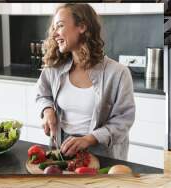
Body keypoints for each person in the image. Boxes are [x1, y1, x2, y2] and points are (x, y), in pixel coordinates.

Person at [35, 3, 135, 160]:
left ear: (82, 26)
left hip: (102, 156)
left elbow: (123, 120)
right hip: (63, 152)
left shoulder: (118, 73)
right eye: (54, 28)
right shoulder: (54, 68)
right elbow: (42, 94)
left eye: (60, 26)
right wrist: (47, 111)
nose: (54, 34)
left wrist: (89, 139)